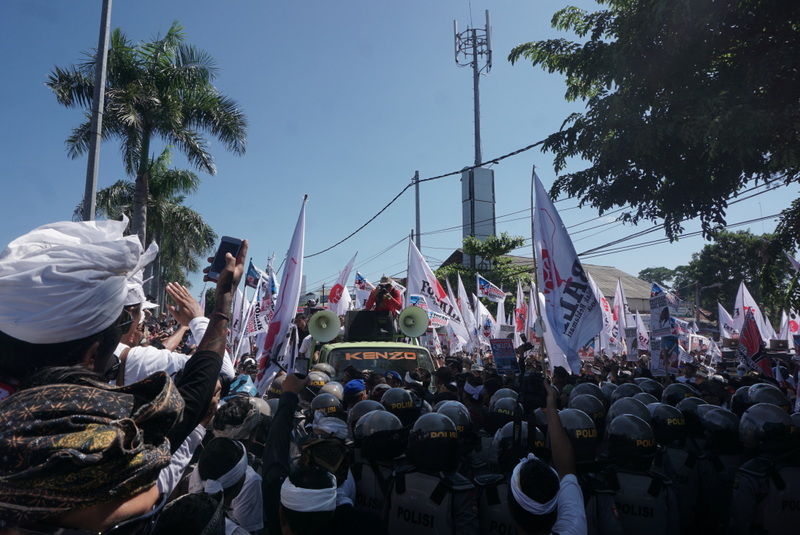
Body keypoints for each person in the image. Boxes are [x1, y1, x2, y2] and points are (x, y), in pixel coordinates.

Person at [507, 377, 587, 535]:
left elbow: (566, 471)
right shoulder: (573, 529)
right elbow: (567, 470)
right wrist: (551, 411)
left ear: (510, 511)